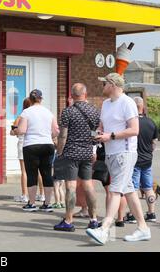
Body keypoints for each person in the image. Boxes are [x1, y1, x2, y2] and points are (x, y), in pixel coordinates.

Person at [86, 73, 151, 245]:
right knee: (128, 190)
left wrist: (111, 136)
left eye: (104, 83)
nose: (102, 86)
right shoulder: (106, 104)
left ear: (113, 84)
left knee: (115, 190)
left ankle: (104, 228)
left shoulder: (127, 102)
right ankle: (143, 228)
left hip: (125, 152)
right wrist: (97, 134)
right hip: (111, 153)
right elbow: (102, 127)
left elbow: (134, 130)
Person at [54, 83, 100, 232]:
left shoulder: (68, 112)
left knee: (70, 187)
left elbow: (63, 135)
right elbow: (95, 133)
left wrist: (59, 151)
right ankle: (93, 219)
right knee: (88, 185)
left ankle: (68, 221)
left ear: (72, 95)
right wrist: (91, 147)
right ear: (85, 94)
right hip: (87, 153)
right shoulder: (94, 111)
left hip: (71, 153)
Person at [13, 89, 60, 212]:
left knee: (32, 174)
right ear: (41, 98)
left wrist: (15, 130)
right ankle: (47, 204)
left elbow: (22, 130)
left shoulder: (26, 112)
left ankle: (32, 203)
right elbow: (55, 131)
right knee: (46, 174)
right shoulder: (49, 112)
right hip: (47, 145)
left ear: (31, 99)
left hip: (31, 146)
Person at [121, 97, 159, 223]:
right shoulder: (151, 122)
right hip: (148, 160)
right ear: (143, 106)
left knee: (134, 188)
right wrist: (148, 152)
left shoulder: (131, 123)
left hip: (134, 160)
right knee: (148, 187)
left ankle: (132, 214)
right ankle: (151, 213)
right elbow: (154, 143)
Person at [10, 97, 32, 203]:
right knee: (38, 171)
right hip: (34, 144)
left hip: (23, 144)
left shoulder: (20, 117)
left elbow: (12, 131)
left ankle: (25, 195)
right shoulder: (35, 116)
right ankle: (41, 194)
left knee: (24, 171)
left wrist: (14, 130)